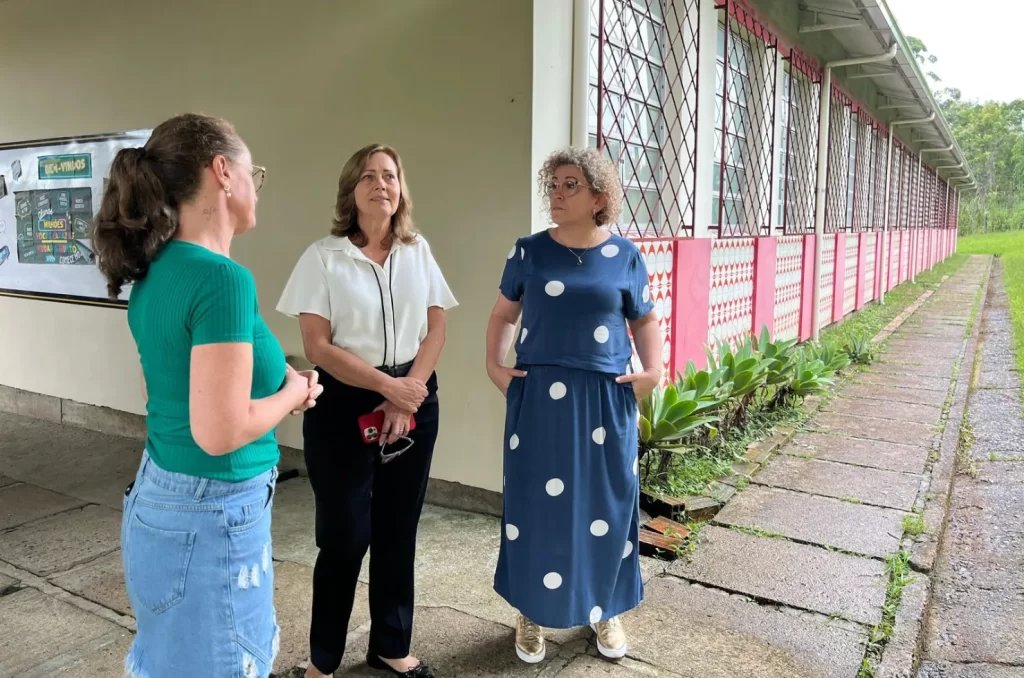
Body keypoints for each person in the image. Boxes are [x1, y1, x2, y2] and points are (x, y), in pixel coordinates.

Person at [92, 113, 323, 678]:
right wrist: (292, 392)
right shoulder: (220, 279)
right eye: (254, 173)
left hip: (164, 497)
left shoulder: (161, 271)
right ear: (222, 172)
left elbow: (179, 389)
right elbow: (219, 431)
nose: (255, 185)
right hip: (212, 510)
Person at [276, 143, 457, 678]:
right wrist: (389, 388)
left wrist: (409, 391)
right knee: (344, 535)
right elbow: (318, 345)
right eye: (369, 176)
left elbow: (438, 325)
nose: (381, 184)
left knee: (399, 528)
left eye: (390, 175)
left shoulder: (417, 249)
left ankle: (391, 646)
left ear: (401, 189)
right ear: (350, 190)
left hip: (415, 397)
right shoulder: (322, 256)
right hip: (343, 404)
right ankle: (323, 659)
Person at [486, 147, 663, 663]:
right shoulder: (529, 252)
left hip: (607, 399)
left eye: (570, 186)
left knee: (606, 505)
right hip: (541, 400)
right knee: (534, 507)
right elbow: (502, 316)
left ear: (599, 198)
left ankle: (605, 607)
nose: (557, 195)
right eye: (554, 185)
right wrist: (496, 368)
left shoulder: (626, 255)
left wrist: (652, 372)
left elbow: (644, 320)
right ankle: (530, 611)